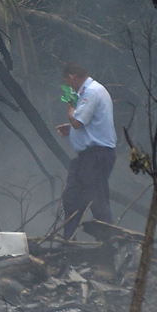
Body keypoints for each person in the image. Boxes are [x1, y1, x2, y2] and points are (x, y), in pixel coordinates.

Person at [55, 61, 116, 239]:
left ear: (72, 77)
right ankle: (69, 242)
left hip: (97, 156)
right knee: (71, 198)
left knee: (97, 199)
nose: (67, 86)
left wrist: (70, 103)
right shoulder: (88, 91)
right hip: (87, 157)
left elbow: (78, 120)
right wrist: (72, 130)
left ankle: (106, 245)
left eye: (67, 82)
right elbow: (85, 123)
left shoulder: (91, 92)